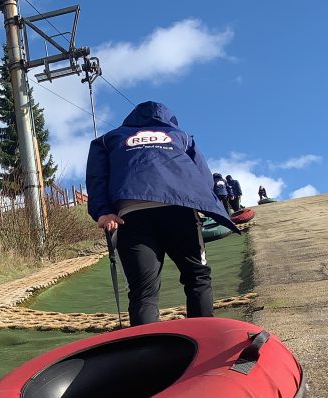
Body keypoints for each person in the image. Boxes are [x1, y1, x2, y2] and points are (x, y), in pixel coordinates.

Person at [86, 101, 239, 326]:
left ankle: (147, 354)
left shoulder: (109, 139)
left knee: (142, 291)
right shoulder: (181, 136)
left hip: (131, 215)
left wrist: (103, 212)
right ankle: (203, 339)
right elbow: (203, 177)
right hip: (179, 210)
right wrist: (204, 204)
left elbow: (97, 176)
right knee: (197, 277)